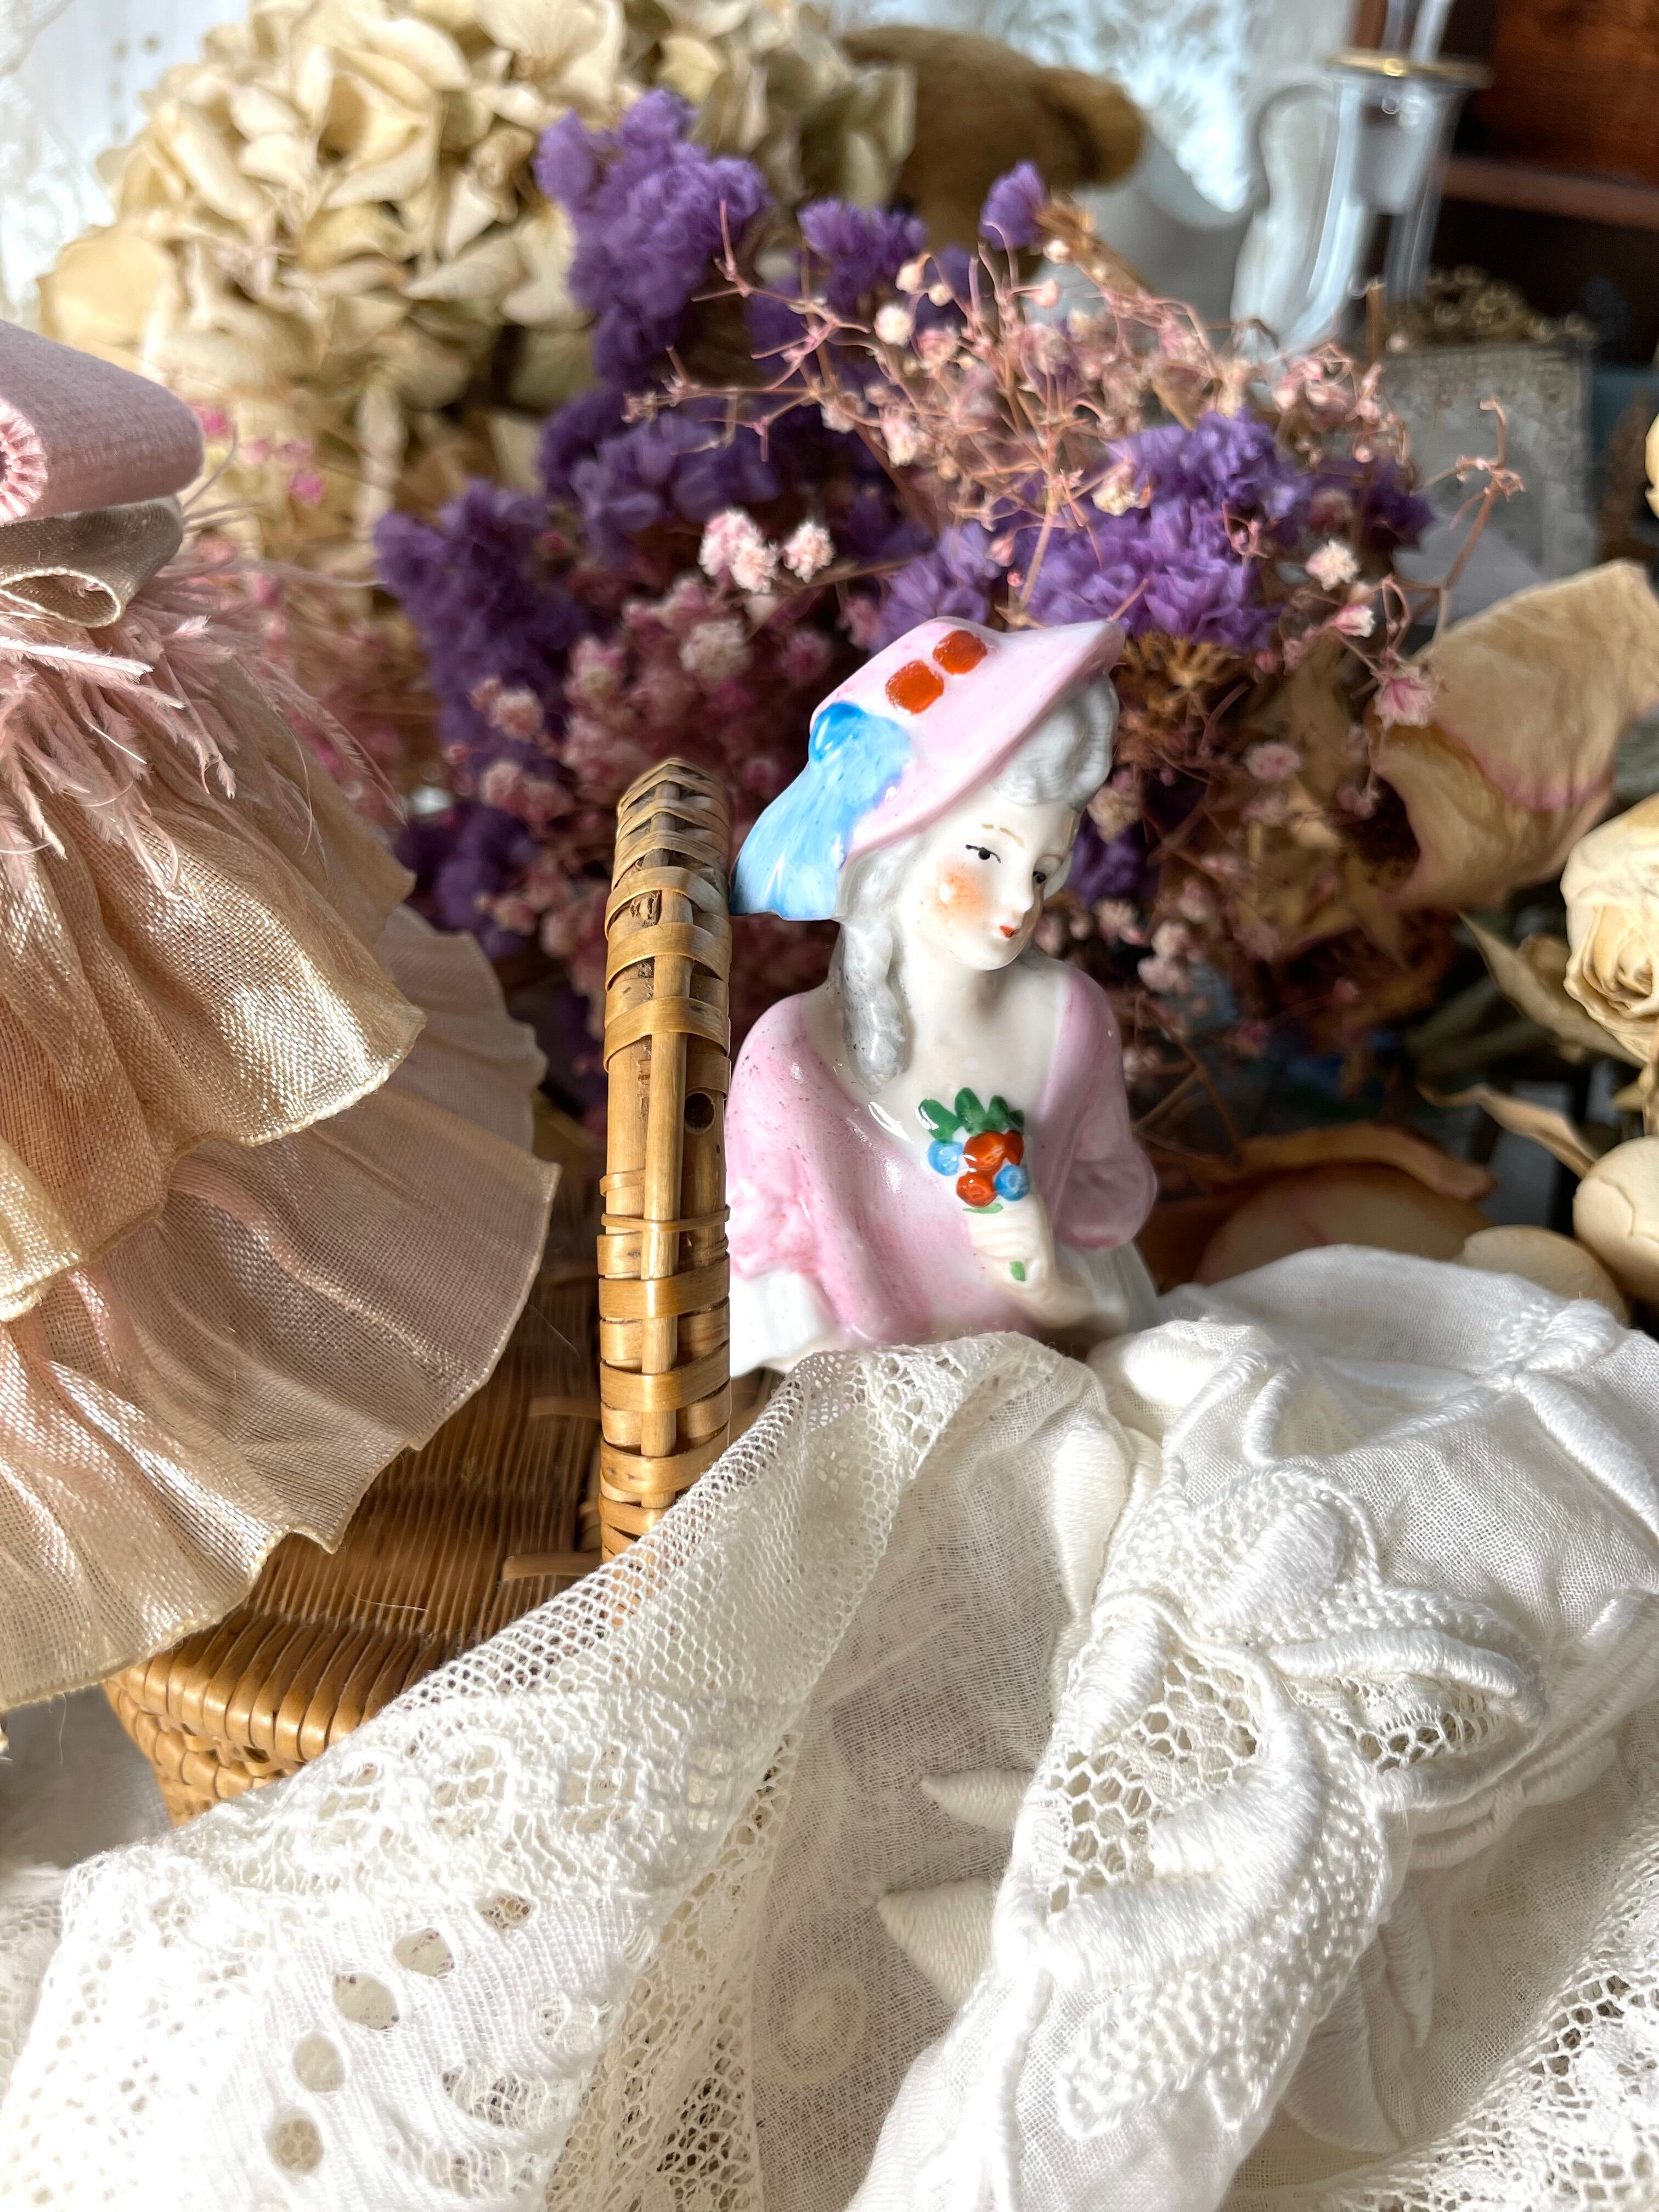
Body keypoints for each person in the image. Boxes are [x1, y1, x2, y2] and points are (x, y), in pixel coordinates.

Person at [726, 616, 1157, 1373]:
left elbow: (1116, 1304)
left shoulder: (1070, 1020)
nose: (1020, 900)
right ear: (895, 852)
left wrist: (1045, 1282)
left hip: (1056, 1389)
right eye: (986, 853)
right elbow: (770, 1327)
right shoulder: (793, 1063)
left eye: (1042, 869)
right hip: (873, 1418)